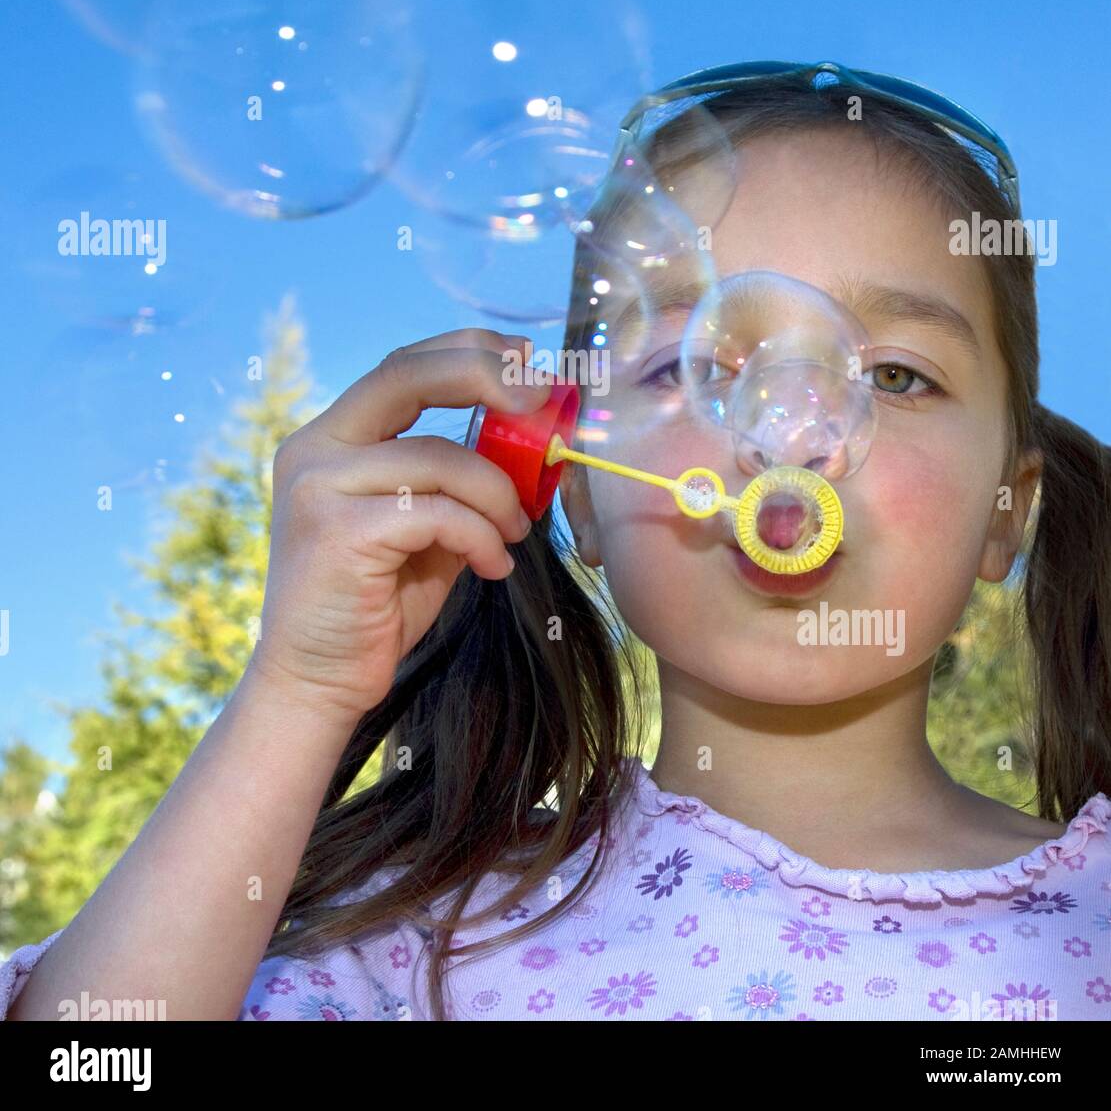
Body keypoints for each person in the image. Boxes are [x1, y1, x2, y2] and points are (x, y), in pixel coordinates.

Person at [4, 63, 1109, 1022]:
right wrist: (296, 694)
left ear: (1005, 509)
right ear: (573, 487)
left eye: (891, 375)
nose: (791, 433)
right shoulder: (423, 931)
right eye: (687, 366)